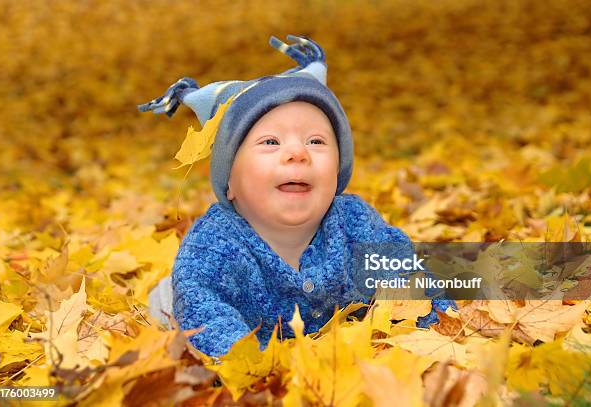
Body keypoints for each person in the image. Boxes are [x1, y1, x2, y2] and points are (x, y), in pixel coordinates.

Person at [139, 34, 454, 357]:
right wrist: (262, 367)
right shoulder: (214, 244)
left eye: (316, 141)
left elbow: (409, 276)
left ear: (337, 174)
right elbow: (204, 313)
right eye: (270, 142)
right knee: (178, 307)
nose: (297, 153)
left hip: (329, 357)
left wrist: (445, 322)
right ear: (229, 184)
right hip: (221, 333)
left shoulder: (355, 223)